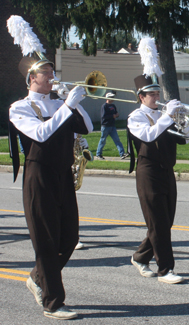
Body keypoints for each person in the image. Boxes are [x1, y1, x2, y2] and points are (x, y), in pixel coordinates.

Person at [9, 56, 93, 319]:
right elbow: (42, 134)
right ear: (31, 78)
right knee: (46, 241)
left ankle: (37, 277)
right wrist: (67, 105)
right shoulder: (19, 108)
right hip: (39, 175)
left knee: (69, 238)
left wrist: (74, 103)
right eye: (45, 72)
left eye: (52, 71)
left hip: (63, 175)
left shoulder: (59, 103)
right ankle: (53, 302)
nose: (51, 76)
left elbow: (88, 127)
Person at [127, 74, 189, 284]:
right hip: (148, 172)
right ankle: (165, 269)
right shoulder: (136, 117)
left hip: (167, 170)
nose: (156, 97)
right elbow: (149, 135)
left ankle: (140, 256)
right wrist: (168, 116)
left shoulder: (165, 115)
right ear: (141, 97)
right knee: (158, 222)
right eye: (151, 94)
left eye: (157, 93)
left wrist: (183, 121)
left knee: (165, 221)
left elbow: (184, 139)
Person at [96, 91, 129, 160]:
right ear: (108, 98)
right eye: (111, 97)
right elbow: (104, 116)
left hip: (112, 126)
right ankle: (98, 154)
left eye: (113, 97)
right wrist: (112, 116)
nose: (113, 98)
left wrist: (116, 115)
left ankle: (122, 153)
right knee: (103, 140)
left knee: (117, 140)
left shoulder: (113, 106)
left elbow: (116, 113)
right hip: (105, 126)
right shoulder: (104, 106)